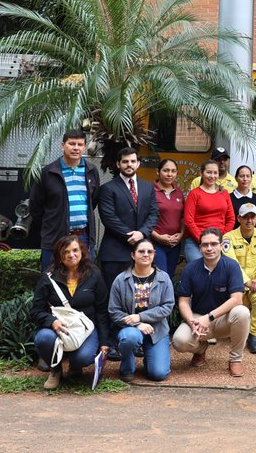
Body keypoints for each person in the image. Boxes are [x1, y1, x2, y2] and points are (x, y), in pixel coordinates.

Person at [31, 234, 111, 390]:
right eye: (66, 251)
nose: (71, 255)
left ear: (82, 251)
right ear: (59, 255)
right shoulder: (48, 277)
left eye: (75, 250)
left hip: (86, 328)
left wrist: (104, 343)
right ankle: (56, 370)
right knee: (43, 338)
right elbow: (36, 310)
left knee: (83, 357)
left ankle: (76, 366)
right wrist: (51, 321)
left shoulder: (94, 274)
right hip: (57, 328)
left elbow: (102, 311)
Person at [172, 228, 252, 376]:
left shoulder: (232, 266)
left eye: (214, 244)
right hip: (198, 319)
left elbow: (237, 299)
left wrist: (208, 318)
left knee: (242, 312)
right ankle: (201, 349)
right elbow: (183, 302)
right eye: (205, 245)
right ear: (200, 247)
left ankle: (235, 359)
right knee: (179, 341)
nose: (209, 248)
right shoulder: (190, 268)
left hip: (224, 319)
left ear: (221, 246)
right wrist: (192, 322)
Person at [31, 130, 101, 271]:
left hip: (83, 237)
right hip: (55, 237)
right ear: (62, 145)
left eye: (80, 144)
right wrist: (54, 224)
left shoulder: (91, 170)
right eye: (71, 144)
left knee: (84, 280)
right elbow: (35, 207)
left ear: (85, 147)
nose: (76, 148)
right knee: (52, 281)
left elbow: (93, 202)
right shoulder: (48, 172)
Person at [109, 240, 175, 382]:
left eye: (150, 251)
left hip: (156, 330)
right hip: (129, 328)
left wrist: (140, 317)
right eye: (141, 251)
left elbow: (168, 306)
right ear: (133, 255)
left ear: (154, 255)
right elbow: (114, 311)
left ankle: (151, 360)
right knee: (130, 338)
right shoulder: (121, 280)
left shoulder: (164, 278)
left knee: (158, 374)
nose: (146, 254)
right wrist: (137, 324)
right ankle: (127, 368)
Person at [97, 147, 159, 289]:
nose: (129, 164)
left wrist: (142, 233)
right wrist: (131, 236)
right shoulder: (108, 188)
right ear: (118, 164)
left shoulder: (148, 187)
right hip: (115, 253)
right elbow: (108, 218)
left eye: (133, 161)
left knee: (140, 296)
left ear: (138, 163)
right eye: (125, 161)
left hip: (143, 252)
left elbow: (154, 213)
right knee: (112, 295)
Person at [222, 203, 256, 354]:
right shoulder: (228, 238)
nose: (249, 220)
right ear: (239, 218)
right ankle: (239, 334)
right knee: (238, 308)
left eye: (252, 217)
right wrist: (248, 282)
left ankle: (254, 335)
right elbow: (232, 264)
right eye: (245, 217)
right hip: (237, 284)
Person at [183, 159, 235, 264]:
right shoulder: (194, 194)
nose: (212, 176)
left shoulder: (224, 193)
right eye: (209, 172)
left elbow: (231, 218)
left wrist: (220, 238)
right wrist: (203, 239)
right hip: (196, 241)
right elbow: (188, 220)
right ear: (201, 173)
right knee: (200, 270)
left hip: (219, 241)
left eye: (215, 173)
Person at [150, 158, 184, 279]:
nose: (170, 174)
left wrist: (181, 235)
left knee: (169, 276)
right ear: (157, 172)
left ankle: (168, 299)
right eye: (166, 170)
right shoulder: (149, 190)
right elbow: (143, 218)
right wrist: (158, 237)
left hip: (175, 244)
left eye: (173, 171)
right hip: (156, 243)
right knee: (160, 277)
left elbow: (182, 217)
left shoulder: (179, 192)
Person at [230, 165, 256, 234]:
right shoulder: (229, 198)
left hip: (255, 239)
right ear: (236, 178)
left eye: (248, 176)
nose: (245, 179)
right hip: (234, 239)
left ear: (251, 178)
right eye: (242, 176)